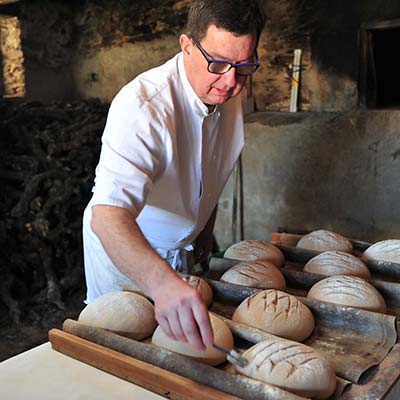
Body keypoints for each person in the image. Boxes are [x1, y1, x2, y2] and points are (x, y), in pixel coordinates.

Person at [82, 0, 265, 352]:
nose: (230, 82)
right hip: (129, 253)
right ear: (186, 46)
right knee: (125, 360)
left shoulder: (226, 91)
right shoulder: (144, 106)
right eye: (218, 63)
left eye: (244, 66)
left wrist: (204, 235)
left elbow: (209, 172)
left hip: (182, 251)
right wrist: (162, 284)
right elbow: (108, 217)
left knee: (178, 356)